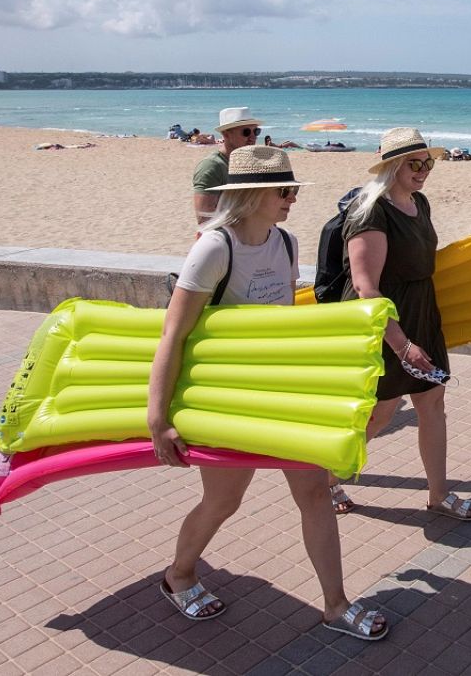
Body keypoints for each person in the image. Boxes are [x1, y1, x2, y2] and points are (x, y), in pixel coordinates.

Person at [149, 145, 387, 640]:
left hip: (278, 394)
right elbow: (174, 333)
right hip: (226, 400)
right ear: (253, 194)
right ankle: (179, 575)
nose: (292, 198)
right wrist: (158, 417)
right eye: (284, 191)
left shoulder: (286, 242)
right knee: (223, 501)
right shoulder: (216, 247)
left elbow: (282, 320)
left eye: (294, 190)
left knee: (315, 494)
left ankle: (335, 605)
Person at [329, 128, 471, 522]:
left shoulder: (419, 202)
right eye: (415, 163)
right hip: (385, 325)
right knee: (379, 413)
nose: (424, 169)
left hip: (421, 314)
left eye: (428, 162)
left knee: (432, 402)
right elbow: (366, 288)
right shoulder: (371, 210)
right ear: (392, 166)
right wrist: (401, 344)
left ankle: (438, 495)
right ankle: (325, 477)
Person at [191, 107, 262, 227]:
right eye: (246, 132)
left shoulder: (251, 163)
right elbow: (205, 220)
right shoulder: (211, 167)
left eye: (256, 131)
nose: (253, 137)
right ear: (226, 134)